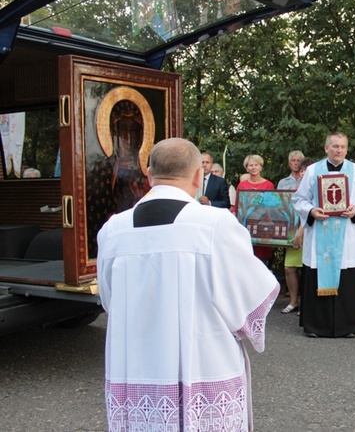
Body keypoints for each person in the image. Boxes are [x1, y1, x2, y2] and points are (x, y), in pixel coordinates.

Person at [97, 138, 279, 431]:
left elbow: (109, 301)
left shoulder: (113, 230)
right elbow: (252, 297)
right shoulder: (215, 225)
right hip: (204, 362)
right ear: (198, 176)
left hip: (135, 366)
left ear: (149, 174)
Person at [291, 132, 355, 338]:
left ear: (347, 149)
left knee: (346, 277)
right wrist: (311, 211)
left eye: (343, 147)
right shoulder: (312, 171)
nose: (339, 150)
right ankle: (315, 325)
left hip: (346, 235)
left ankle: (348, 326)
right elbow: (299, 199)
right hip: (320, 232)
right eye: (335, 146)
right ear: (326, 148)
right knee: (318, 271)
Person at [281, 157, 316, 314]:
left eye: (306, 171)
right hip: (291, 231)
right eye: (302, 171)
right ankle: (294, 301)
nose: (303, 174)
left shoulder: (315, 191)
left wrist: (299, 234)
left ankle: (307, 303)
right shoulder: (292, 188)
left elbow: (307, 215)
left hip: (308, 234)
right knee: (289, 268)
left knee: (309, 270)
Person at [237, 154, 275, 261]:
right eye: (250, 165)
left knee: (261, 260)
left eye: (256, 165)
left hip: (262, 225)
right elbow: (238, 207)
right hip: (245, 225)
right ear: (246, 168)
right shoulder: (242, 185)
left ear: (261, 167)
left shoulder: (268, 185)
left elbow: (271, 208)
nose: (253, 167)